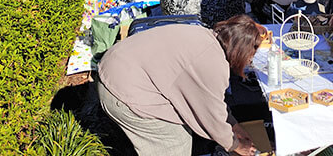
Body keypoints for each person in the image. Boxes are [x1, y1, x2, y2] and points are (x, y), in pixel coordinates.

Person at [98, 15, 260, 156]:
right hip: (120, 89)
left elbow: (212, 102)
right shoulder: (213, 64)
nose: (249, 62)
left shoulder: (203, 33)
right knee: (176, 139)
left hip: (114, 66)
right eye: (251, 56)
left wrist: (234, 125)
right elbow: (210, 117)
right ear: (241, 52)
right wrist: (236, 145)